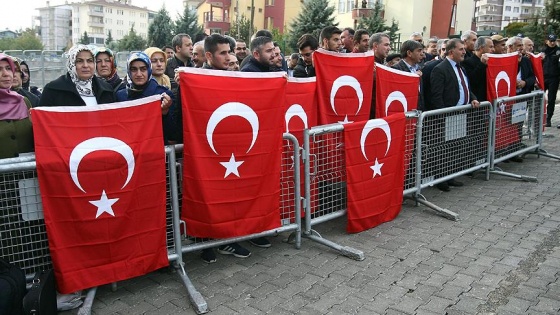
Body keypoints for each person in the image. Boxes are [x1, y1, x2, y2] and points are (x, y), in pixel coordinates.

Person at [430, 38, 480, 192]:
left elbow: (464, 86)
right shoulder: (440, 69)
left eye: (464, 49)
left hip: (461, 114)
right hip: (448, 115)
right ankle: (441, 179)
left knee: (455, 146)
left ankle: (450, 176)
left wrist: (473, 98)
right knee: (444, 148)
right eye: (461, 49)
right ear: (451, 52)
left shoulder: (461, 68)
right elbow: (436, 96)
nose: (464, 52)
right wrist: (443, 115)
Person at [115, 52, 174, 143]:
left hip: (155, 150)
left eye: (143, 69)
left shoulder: (163, 95)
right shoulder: (120, 96)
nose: (139, 74)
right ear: (129, 71)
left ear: (149, 70)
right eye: (134, 69)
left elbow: (172, 133)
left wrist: (165, 113)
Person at [39, 45, 114, 107]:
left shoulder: (107, 90)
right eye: (79, 61)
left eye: (89, 61)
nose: (85, 65)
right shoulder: (53, 90)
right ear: (71, 64)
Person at [0, 53, 33, 159]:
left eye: (9, 68)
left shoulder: (23, 101)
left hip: (26, 173)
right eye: (0, 69)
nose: (6, 74)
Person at [391, 40, 425, 110]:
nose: (422, 54)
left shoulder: (419, 68)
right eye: (419, 51)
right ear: (409, 53)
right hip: (405, 111)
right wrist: (412, 77)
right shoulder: (396, 69)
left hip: (418, 112)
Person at [463, 36, 494, 102]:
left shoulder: (491, 62)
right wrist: (482, 64)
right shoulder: (467, 62)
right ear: (481, 48)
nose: (493, 50)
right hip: (477, 103)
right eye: (490, 47)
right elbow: (472, 81)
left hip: (489, 100)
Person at [542, 34, 560, 127]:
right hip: (543, 77)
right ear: (547, 41)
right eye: (550, 41)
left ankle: (548, 118)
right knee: (540, 98)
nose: (552, 43)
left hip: (554, 78)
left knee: (551, 98)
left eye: (554, 41)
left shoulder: (558, 51)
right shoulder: (543, 51)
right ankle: (539, 117)